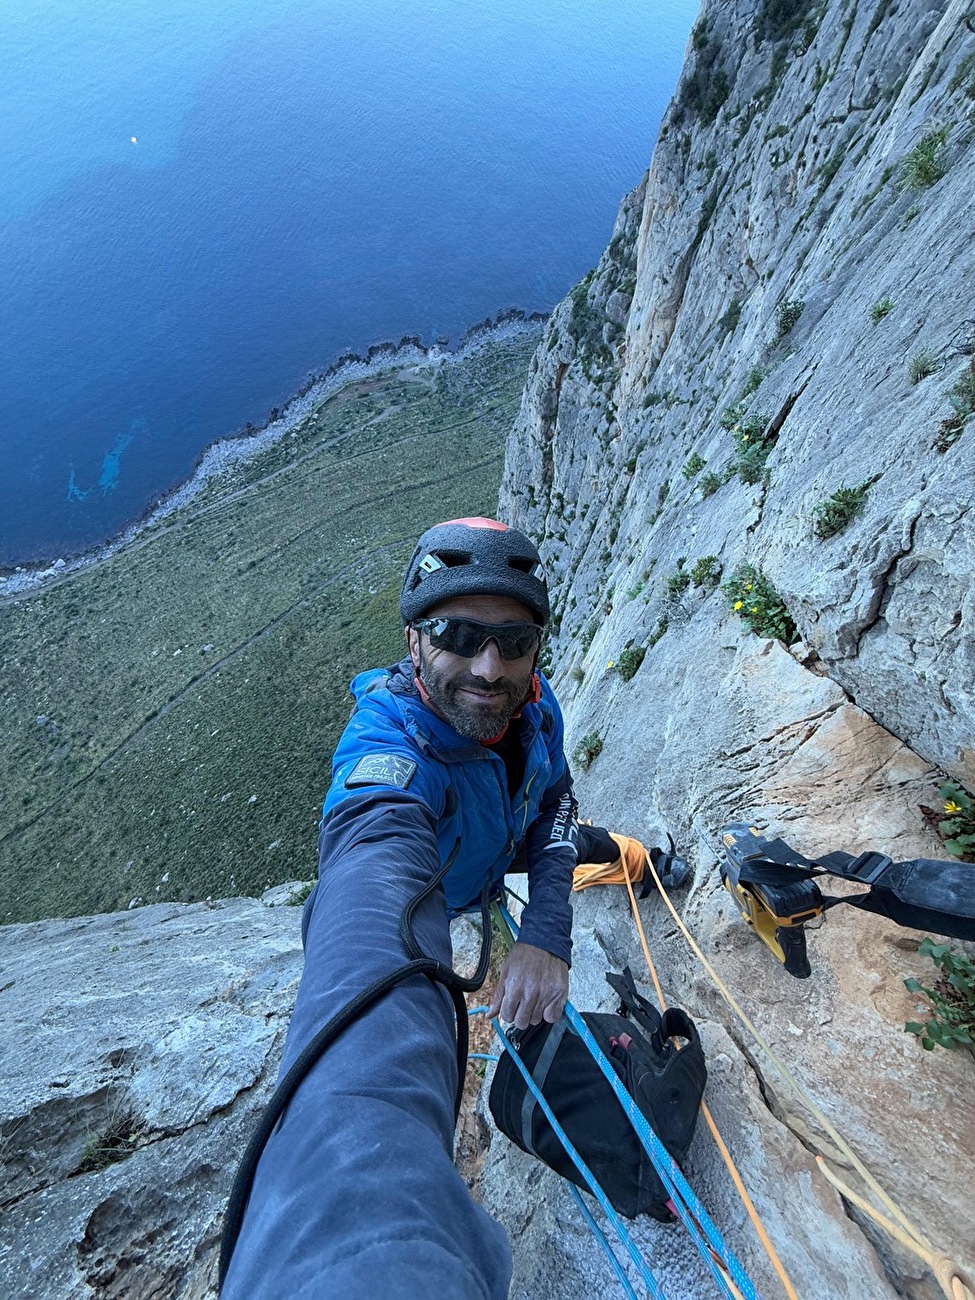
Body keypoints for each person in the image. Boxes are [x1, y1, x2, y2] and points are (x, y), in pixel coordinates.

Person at [221, 517, 573, 1299]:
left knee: (595, 845)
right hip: (439, 886)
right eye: (458, 633)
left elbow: (557, 801)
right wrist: (356, 1212)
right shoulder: (387, 756)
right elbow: (370, 882)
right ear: (413, 640)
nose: (489, 667)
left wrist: (546, 928)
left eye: (514, 641)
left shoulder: (532, 704)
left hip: (498, 852)